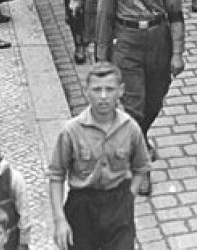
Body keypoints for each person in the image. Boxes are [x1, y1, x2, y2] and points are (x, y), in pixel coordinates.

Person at [95, 0, 185, 195]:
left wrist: (177, 53)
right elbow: (104, 18)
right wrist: (102, 59)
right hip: (127, 42)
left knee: (155, 100)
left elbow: (176, 15)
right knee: (134, 105)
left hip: (158, 41)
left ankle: (140, 136)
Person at [48, 62, 149, 250]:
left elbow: (141, 166)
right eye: (97, 89)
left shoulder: (130, 128)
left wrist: (129, 197)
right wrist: (60, 220)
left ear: (120, 91)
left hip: (118, 203)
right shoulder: (72, 131)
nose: (103, 96)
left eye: (109, 89)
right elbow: (56, 175)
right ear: (87, 92)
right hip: (82, 206)